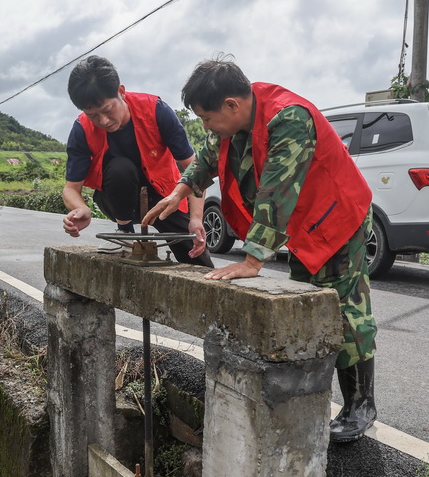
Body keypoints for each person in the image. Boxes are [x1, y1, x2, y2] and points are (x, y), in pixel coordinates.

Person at [143, 57, 378, 442]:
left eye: (207, 118)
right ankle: (312, 398)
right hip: (304, 228)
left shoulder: (289, 118)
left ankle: (361, 405)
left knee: (345, 309)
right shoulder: (231, 125)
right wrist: (178, 192)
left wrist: (253, 260)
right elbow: (204, 161)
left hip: (337, 219)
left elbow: (277, 190)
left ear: (232, 105)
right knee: (312, 304)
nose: (206, 127)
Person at [61, 55, 214, 268]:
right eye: (93, 115)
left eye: (107, 110)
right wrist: (81, 208)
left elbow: (194, 168)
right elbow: (70, 189)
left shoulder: (156, 110)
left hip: (164, 197)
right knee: (120, 168)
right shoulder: (81, 129)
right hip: (116, 198)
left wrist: (196, 218)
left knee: (198, 259)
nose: (103, 121)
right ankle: (124, 232)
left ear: (121, 92)